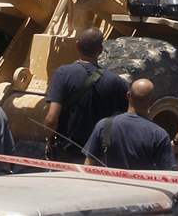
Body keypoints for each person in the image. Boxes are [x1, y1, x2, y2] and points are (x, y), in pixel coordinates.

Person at [44, 28, 129, 162]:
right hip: (99, 156)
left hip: (68, 152)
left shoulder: (62, 74)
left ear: (77, 45)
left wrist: (50, 140)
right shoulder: (116, 81)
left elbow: (51, 119)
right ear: (100, 50)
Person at [83, 78, 174, 170]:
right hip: (139, 184)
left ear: (128, 95)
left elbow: (89, 164)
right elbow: (167, 173)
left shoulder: (105, 125)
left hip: (108, 183)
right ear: (152, 101)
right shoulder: (159, 134)